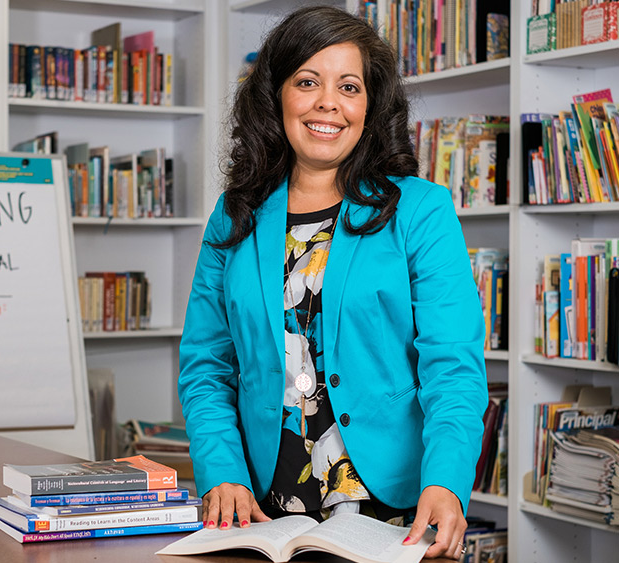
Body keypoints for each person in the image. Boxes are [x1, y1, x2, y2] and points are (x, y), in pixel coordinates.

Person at [178, 5, 488, 561]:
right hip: (262, 511)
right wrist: (221, 474)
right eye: (307, 82)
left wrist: (446, 483)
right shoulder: (234, 215)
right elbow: (206, 364)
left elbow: (453, 366)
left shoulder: (420, 210)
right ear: (276, 95)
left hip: (394, 511)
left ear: (370, 106)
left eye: (349, 86)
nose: (328, 103)